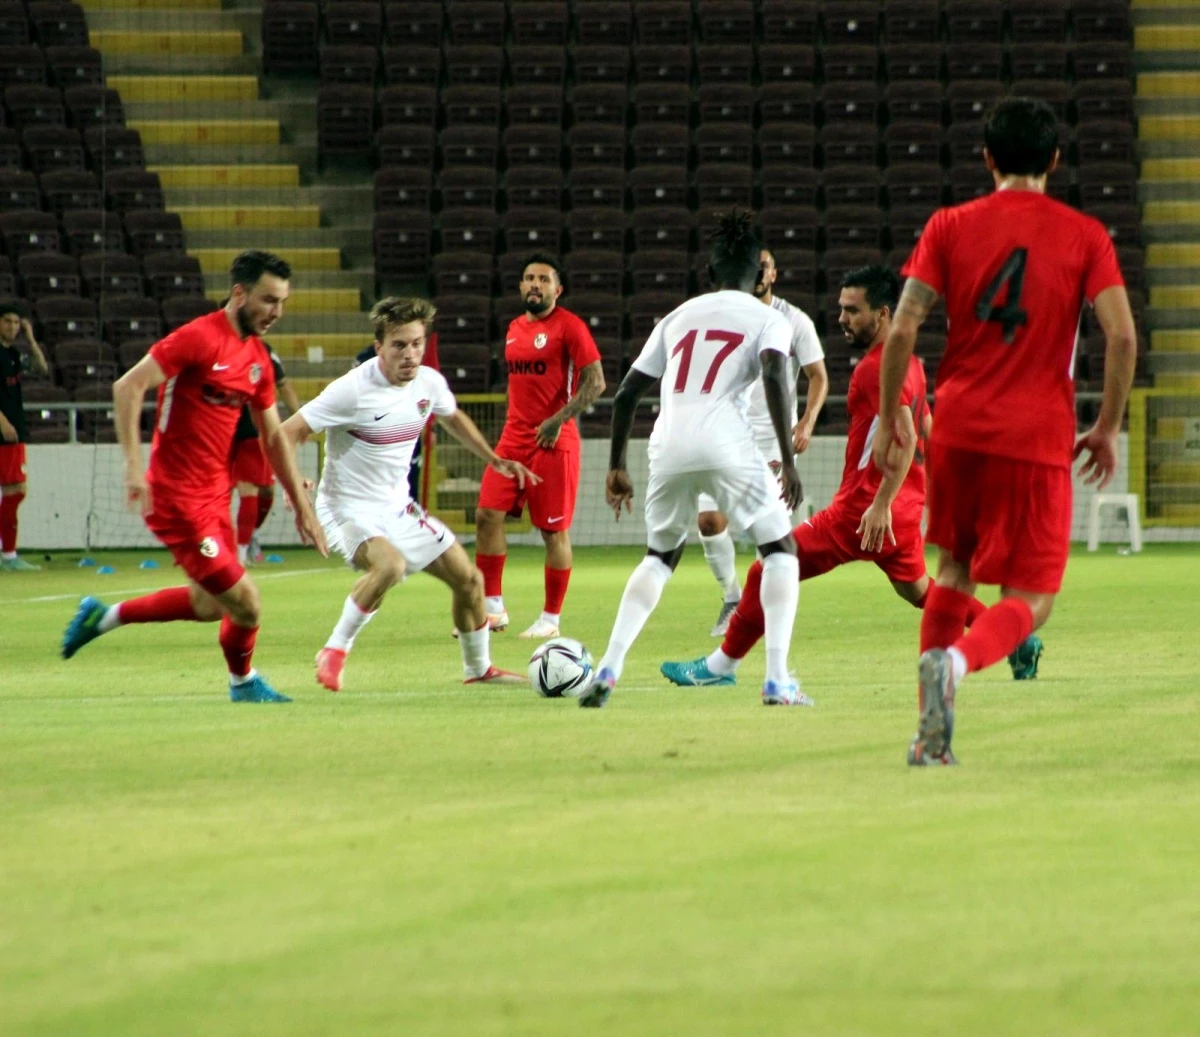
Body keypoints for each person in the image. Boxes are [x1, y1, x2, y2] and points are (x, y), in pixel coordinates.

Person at [873, 99, 1137, 765]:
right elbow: (1123, 336)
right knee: (1032, 596)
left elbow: (901, 327)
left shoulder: (948, 225)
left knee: (953, 569)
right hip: (1037, 434)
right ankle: (957, 664)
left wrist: (887, 418)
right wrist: (1106, 426)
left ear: (987, 158)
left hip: (958, 424)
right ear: (1054, 160)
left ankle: (930, 734)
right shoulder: (1085, 235)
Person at [661, 266, 1044, 696]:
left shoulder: (876, 371)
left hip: (863, 513)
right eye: (841, 309)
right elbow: (929, 427)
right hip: (902, 508)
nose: (842, 319)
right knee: (918, 590)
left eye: (853, 311)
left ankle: (721, 663)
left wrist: (880, 503)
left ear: (882, 314)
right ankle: (1016, 638)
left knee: (767, 566)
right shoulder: (910, 362)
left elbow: (907, 435)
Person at [61, 250, 328, 703]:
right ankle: (243, 683)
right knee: (246, 602)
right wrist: (132, 464)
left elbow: (273, 438)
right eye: (267, 300)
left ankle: (102, 617)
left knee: (209, 605)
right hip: (176, 498)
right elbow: (127, 386)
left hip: (213, 496)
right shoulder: (199, 337)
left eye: (282, 302)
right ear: (239, 293)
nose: (276, 312)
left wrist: (302, 506)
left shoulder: (258, 359)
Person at [578, 210, 804, 709]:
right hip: (726, 442)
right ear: (759, 275)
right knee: (781, 551)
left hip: (667, 445)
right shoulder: (769, 317)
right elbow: (772, 374)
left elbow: (625, 395)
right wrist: (787, 459)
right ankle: (777, 680)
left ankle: (609, 667)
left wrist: (616, 465)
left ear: (709, 274)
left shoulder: (676, 317)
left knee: (659, 558)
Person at [278, 297, 536, 691]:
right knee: (390, 566)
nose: (410, 354)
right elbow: (286, 433)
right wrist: (294, 487)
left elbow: (452, 418)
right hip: (346, 508)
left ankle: (479, 669)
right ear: (379, 345)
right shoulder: (351, 391)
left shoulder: (429, 383)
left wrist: (495, 459)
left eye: (417, 343)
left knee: (469, 581)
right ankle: (334, 650)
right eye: (399, 344)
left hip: (398, 508)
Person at [697, 247, 828, 636]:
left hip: (773, 440)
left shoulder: (793, 320)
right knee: (708, 520)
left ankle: (762, 613)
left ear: (774, 274)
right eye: (753, 266)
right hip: (725, 434)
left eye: (764, 267)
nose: (758, 272)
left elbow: (818, 376)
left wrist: (806, 421)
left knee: (766, 530)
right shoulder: (723, 315)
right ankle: (733, 599)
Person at [473, 253, 605, 640]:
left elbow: (595, 382)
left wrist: (559, 419)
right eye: (529, 278)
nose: (535, 284)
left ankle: (550, 619)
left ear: (557, 289)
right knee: (486, 515)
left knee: (552, 534)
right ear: (520, 286)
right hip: (513, 439)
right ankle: (493, 608)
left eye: (544, 279)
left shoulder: (570, 327)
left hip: (554, 441)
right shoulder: (513, 328)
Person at [230, 341, 299, 565]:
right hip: (239, 432)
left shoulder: (264, 350)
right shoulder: (223, 349)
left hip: (260, 430)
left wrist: (300, 420)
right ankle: (238, 554)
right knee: (245, 491)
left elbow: (284, 384)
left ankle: (248, 536)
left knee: (267, 493)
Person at [0, 304, 49, 571]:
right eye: (7, 321)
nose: (12, 327)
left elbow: (42, 369)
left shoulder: (14, 355)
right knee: (15, 491)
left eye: (16, 323)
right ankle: (8, 556)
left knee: (14, 492)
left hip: (14, 430)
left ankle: (7, 554)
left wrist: (30, 339)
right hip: (6, 431)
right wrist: (3, 422)